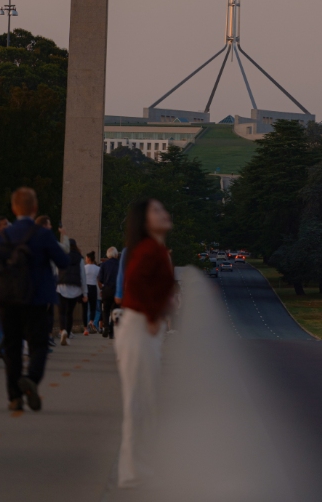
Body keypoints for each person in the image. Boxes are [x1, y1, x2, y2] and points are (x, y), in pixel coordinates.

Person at [0, 187, 70, 413]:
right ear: (35, 209)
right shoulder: (42, 234)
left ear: (14, 208)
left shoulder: (3, 236)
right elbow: (63, 261)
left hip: (9, 299)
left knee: (12, 347)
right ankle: (31, 378)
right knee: (39, 345)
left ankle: (14, 397)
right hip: (37, 299)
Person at [116, 198, 176, 488]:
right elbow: (135, 281)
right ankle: (132, 470)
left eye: (162, 208)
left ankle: (139, 467)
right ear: (143, 221)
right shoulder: (149, 250)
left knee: (145, 398)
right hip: (138, 327)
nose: (163, 213)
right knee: (138, 400)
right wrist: (153, 314)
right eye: (156, 210)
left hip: (143, 327)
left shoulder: (157, 249)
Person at [57, 237, 84, 345]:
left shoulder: (61, 256)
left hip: (61, 286)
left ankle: (62, 330)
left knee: (61, 312)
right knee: (69, 313)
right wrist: (84, 292)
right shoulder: (79, 258)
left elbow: (56, 270)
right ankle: (67, 333)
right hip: (75, 288)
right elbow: (82, 275)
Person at [98, 246, 120, 337]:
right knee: (115, 311)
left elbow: (99, 279)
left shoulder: (104, 264)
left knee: (105, 310)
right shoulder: (120, 264)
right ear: (116, 254)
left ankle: (106, 326)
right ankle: (112, 331)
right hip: (117, 291)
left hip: (106, 290)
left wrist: (101, 289)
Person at [83, 251, 100, 333]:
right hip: (93, 287)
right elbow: (99, 280)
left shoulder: (84, 268)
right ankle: (91, 321)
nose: (85, 259)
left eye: (86, 258)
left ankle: (85, 326)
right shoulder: (97, 268)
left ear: (89, 258)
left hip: (86, 287)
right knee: (93, 307)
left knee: (85, 307)